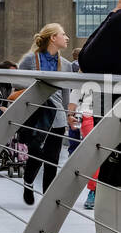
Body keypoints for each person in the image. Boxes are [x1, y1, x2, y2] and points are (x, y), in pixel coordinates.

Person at [10, 24, 76, 205]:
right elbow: (18, 85)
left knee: (52, 160)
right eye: (63, 34)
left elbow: (65, 94)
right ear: (53, 38)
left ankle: (48, 201)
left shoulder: (67, 65)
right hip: (37, 118)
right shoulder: (31, 60)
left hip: (58, 118)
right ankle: (28, 183)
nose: (67, 38)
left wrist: (69, 115)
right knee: (36, 155)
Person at [77, 0, 121, 233]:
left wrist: (114, 14)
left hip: (115, 108)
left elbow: (87, 59)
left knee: (112, 167)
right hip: (114, 106)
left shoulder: (118, 21)